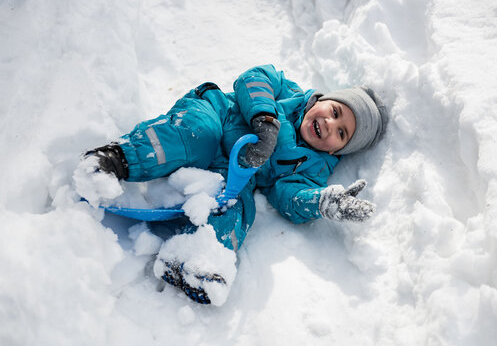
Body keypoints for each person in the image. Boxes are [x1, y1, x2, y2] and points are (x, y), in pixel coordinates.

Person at [82, 64, 388, 305]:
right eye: (335, 112)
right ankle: (116, 159)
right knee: (197, 136)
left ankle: (192, 262)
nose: (330, 124)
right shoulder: (287, 92)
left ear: (337, 151)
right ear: (322, 99)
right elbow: (253, 78)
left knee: (240, 208)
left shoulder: (312, 167)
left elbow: (288, 195)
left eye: (342, 133)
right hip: (215, 116)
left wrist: (321, 201)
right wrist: (265, 120)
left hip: (235, 173)